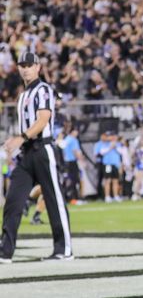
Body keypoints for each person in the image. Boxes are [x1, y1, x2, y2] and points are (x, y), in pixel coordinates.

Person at [1, 52, 73, 262]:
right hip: (27, 153)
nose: (25, 68)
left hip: (43, 149)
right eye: (22, 65)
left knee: (53, 199)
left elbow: (43, 120)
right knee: (13, 200)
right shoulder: (23, 95)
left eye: (29, 65)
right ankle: (5, 250)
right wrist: (18, 141)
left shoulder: (44, 90)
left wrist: (19, 138)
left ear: (38, 67)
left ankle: (64, 249)